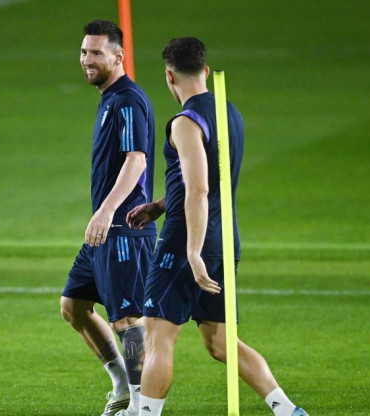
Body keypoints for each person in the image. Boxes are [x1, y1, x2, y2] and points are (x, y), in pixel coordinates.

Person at [126, 37, 309, 416]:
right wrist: (160, 205)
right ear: (205, 71)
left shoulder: (185, 121)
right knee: (221, 342)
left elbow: (199, 188)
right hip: (225, 238)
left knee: (158, 336)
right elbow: (211, 178)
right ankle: (288, 410)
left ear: (169, 76)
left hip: (187, 240)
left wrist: (191, 252)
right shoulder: (230, 113)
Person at [59, 20, 157, 416]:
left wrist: (105, 210)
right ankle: (120, 384)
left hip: (124, 230)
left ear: (119, 56)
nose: (87, 60)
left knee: (129, 320)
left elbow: (137, 160)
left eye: (96, 53)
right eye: (84, 52)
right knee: (74, 306)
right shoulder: (109, 99)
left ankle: (139, 406)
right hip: (105, 232)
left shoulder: (128, 100)